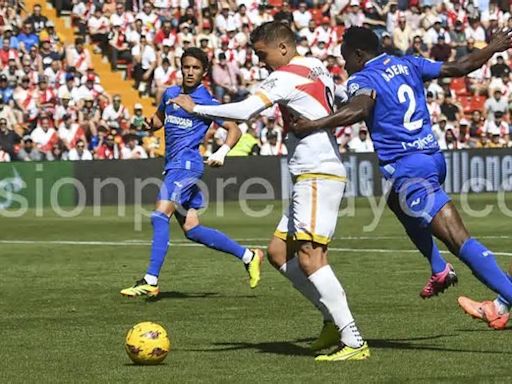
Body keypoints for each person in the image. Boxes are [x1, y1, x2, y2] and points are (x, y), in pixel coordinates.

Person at [172, 21, 368, 362]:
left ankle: (353, 339)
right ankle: (330, 319)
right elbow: (337, 98)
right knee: (278, 252)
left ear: (281, 48)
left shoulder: (286, 75)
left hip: (317, 172)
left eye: (262, 54)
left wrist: (197, 108)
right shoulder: (315, 65)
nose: (261, 62)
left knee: (310, 256)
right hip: (310, 173)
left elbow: (247, 111)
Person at [292, 26, 512, 327]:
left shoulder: (363, 78)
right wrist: (493, 46)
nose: (345, 66)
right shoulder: (408, 62)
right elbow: (462, 66)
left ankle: (499, 297)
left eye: (346, 59)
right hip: (432, 159)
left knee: (459, 241)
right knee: (396, 201)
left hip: (410, 170)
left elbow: (360, 107)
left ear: (359, 55)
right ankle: (439, 269)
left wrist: (314, 124)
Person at [121, 48, 263, 298]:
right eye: (186, 66)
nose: (190, 71)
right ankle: (249, 256)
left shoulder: (206, 102)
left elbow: (234, 130)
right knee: (192, 229)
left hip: (187, 165)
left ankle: (151, 279)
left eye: (195, 68)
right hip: (173, 164)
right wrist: (146, 124)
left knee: (159, 215)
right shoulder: (171, 94)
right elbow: (158, 120)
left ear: (204, 72)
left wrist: (222, 152)